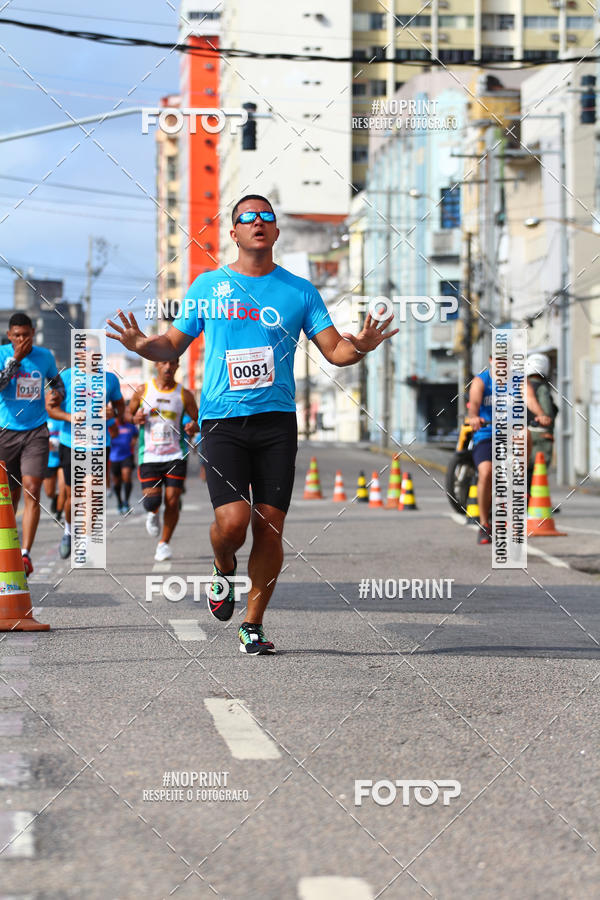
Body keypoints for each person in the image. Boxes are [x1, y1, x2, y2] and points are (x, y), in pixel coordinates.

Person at [107, 193, 396, 654]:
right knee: (233, 522)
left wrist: (360, 344)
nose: (258, 222)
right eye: (248, 217)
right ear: (234, 232)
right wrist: (142, 344)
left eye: (267, 217)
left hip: (277, 422)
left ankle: (253, 624)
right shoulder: (208, 286)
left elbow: (336, 352)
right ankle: (223, 567)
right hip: (222, 419)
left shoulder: (300, 291)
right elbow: (171, 345)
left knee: (269, 526)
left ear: (276, 232)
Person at [0, 312, 64, 575]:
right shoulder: (4, 354)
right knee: (9, 496)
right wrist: (15, 360)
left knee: (32, 488)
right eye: (17, 336)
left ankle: (25, 554)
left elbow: (57, 382)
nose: (22, 340)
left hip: (36, 430)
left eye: (26, 335)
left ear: (33, 332)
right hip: (6, 431)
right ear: (9, 336)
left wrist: (57, 393)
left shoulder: (45, 356)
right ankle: (10, 549)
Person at [47, 359, 124, 559]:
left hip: (98, 445)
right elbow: (51, 409)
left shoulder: (110, 379)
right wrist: (69, 417)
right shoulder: (64, 377)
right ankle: (69, 531)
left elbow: (121, 410)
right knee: (73, 498)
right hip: (70, 444)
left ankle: (85, 542)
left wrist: (113, 412)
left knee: (93, 495)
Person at [127, 360, 199, 562]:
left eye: (173, 363)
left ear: (177, 366)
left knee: (173, 500)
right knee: (152, 501)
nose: (168, 367)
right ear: (156, 366)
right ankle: (153, 512)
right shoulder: (143, 390)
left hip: (175, 454)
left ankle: (163, 544)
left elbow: (200, 419)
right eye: (164, 363)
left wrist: (194, 426)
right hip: (149, 455)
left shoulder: (184, 395)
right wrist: (135, 419)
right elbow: (127, 414)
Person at [468, 356, 493, 545]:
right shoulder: (481, 380)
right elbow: (474, 403)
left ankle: (522, 483)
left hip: (511, 435)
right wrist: (474, 417)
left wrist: (540, 414)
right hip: (486, 434)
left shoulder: (518, 380)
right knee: (486, 472)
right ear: (491, 360)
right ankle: (485, 524)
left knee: (525, 433)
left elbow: (530, 398)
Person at [525, 353, 556, 495]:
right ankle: (535, 501)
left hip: (522, 432)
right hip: (539, 434)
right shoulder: (542, 388)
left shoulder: (523, 386)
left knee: (523, 469)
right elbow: (547, 413)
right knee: (537, 469)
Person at [109, 417, 137, 514]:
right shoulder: (111, 425)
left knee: (127, 476)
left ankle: (126, 502)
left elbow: (135, 434)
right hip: (114, 457)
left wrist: (133, 441)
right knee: (116, 482)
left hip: (127, 455)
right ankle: (119, 501)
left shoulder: (130, 426)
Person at [43, 416, 65, 522]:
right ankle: (55, 498)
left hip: (63, 458)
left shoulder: (65, 417)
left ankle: (58, 513)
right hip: (49, 460)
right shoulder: (43, 418)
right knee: (49, 492)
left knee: (63, 488)